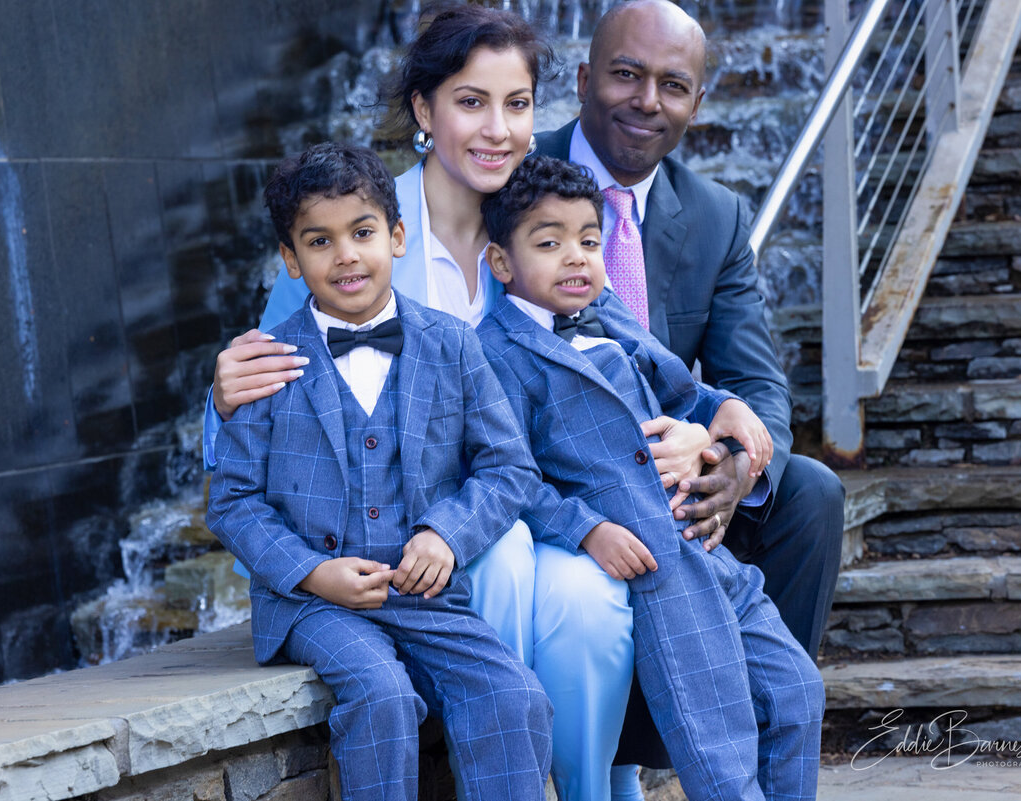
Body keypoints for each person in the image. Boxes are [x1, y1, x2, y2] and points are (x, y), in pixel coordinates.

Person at [202, 7, 733, 800]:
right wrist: (218, 391)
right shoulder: (358, 230)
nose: (498, 129)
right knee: (512, 566)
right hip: (422, 525)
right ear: (424, 110)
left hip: (534, 496)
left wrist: (714, 429)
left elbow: (643, 362)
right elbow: (266, 395)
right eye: (470, 102)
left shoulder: (539, 221)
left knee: (592, 606)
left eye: (517, 104)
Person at [207, 142, 552, 801]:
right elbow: (234, 501)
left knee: (513, 694)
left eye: (362, 232)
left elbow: (509, 465)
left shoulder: (451, 343)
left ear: (396, 236)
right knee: (382, 693)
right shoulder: (267, 363)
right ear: (290, 258)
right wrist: (313, 571)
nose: (345, 256)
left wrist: (446, 534)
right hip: (309, 601)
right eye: (319, 241)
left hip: (422, 591)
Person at [476, 155, 824, 801]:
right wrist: (587, 530)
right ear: (501, 263)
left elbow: (683, 389)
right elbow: (507, 472)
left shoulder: (610, 318)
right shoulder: (495, 353)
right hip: (653, 564)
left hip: (705, 548)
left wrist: (721, 409)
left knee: (797, 690)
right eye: (548, 243)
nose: (576, 257)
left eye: (587, 239)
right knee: (716, 739)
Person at [534, 0, 845, 668]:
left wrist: (733, 464)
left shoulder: (717, 217)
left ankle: (763, 731)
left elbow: (756, 380)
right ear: (584, 78)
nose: (647, 101)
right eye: (626, 74)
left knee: (810, 493)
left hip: (676, 469)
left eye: (672, 86)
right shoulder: (516, 177)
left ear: (697, 104)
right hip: (554, 467)